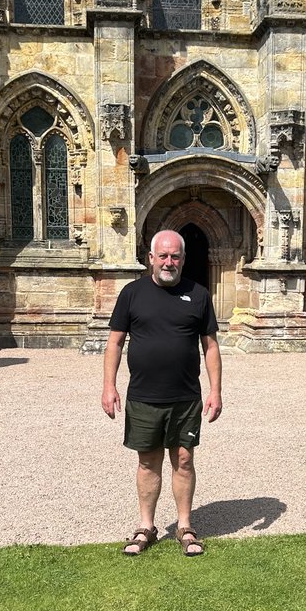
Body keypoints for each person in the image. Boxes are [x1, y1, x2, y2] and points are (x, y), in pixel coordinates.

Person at [102, 229, 222, 556]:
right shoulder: (131, 293)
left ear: (183, 259)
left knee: (183, 459)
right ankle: (146, 527)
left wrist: (216, 391)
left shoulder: (198, 294)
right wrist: (109, 386)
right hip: (143, 395)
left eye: (175, 256)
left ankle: (185, 526)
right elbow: (114, 342)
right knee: (148, 461)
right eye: (163, 256)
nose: (169, 262)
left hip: (186, 397)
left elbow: (210, 347)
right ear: (151, 258)